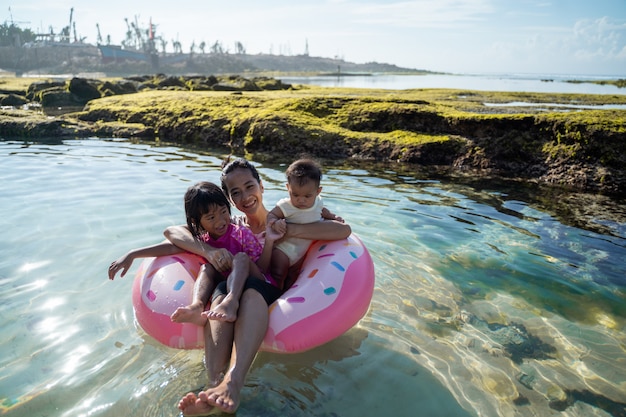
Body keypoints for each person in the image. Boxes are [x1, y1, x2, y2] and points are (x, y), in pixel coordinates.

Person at [165, 158, 351, 415]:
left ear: (262, 186)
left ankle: (233, 383)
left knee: (252, 292)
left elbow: (342, 231)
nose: (245, 196)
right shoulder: (231, 225)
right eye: (235, 192)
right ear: (229, 199)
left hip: (267, 290)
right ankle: (212, 388)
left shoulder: (290, 216)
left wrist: (289, 230)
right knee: (219, 299)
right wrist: (208, 251)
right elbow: (174, 232)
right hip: (232, 286)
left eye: (249, 186)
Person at [108, 181, 282, 325]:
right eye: (211, 218)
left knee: (241, 258)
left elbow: (262, 268)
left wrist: (256, 251)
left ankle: (231, 301)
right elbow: (170, 247)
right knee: (207, 268)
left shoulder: (241, 233)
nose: (221, 221)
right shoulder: (202, 241)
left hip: (256, 282)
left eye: (223, 212)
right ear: (196, 222)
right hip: (226, 284)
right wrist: (132, 254)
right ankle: (197, 306)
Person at [267, 158, 344, 284]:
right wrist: (275, 223)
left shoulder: (318, 202)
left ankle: (288, 292)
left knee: (293, 276)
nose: (301, 200)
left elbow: (323, 211)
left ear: (318, 191)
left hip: (302, 252)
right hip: (283, 249)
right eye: (295, 195)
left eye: (307, 196)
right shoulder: (286, 206)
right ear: (288, 188)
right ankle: (275, 292)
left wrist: (333, 218)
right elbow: (271, 214)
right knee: (278, 273)